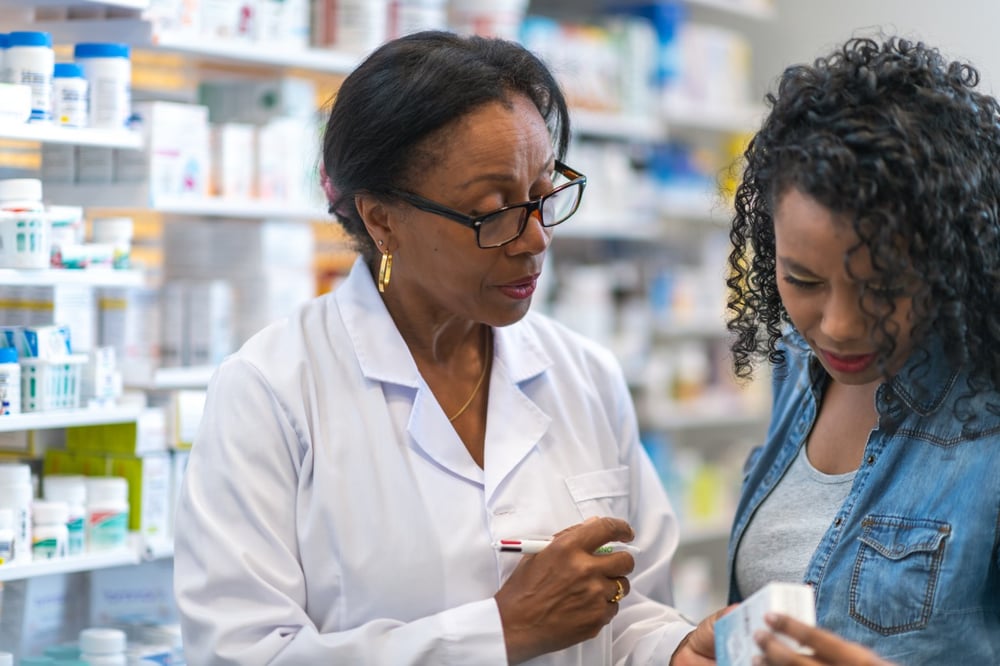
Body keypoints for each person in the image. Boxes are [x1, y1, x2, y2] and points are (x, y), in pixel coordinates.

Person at [173, 30, 722, 664]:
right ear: (382, 219)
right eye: (493, 210)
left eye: (544, 196)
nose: (535, 239)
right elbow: (241, 653)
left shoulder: (584, 376)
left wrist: (674, 648)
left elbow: (624, 609)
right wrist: (499, 633)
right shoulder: (272, 390)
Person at [724, 35, 1000, 664]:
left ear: (950, 259)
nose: (841, 328)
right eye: (804, 280)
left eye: (884, 287)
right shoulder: (798, 367)